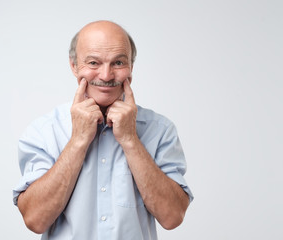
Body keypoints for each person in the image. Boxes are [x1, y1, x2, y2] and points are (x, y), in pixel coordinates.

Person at [13, 20, 193, 240]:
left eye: (118, 63)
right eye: (93, 62)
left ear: (131, 67)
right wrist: (78, 140)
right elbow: (35, 219)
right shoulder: (44, 131)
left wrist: (130, 140)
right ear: (74, 66)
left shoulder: (160, 130)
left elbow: (172, 217)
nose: (106, 75)